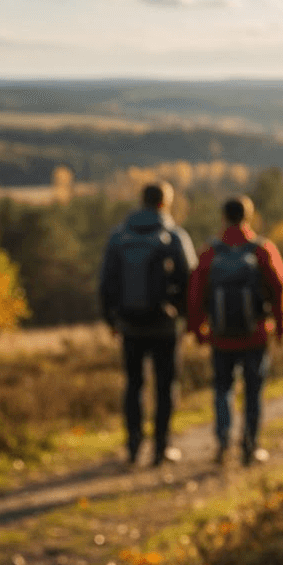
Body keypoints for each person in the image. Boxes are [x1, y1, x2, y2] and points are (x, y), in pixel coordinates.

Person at [187, 195, 283, 466]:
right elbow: (280, 288)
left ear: (223, 217)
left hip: (220, 336)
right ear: (248, 216)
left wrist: (198, 330)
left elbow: (196, 292)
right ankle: (250, 446)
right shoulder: (262, 249)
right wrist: (281, 327)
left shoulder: (210, 251)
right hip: (255, 334)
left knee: (223, 389)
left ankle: (223, 443)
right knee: (253, 392)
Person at [99, 182, 197, 467]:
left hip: (129, 324)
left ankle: (133, 446)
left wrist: (111, 320)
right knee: (166, 388)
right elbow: (189, 281)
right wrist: (185, 317)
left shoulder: (118, 236)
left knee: (133, 385)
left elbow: (106, 283)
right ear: (165, 203)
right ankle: (161, 448)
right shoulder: (174, 236)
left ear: (141, 201)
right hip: (165, 326)